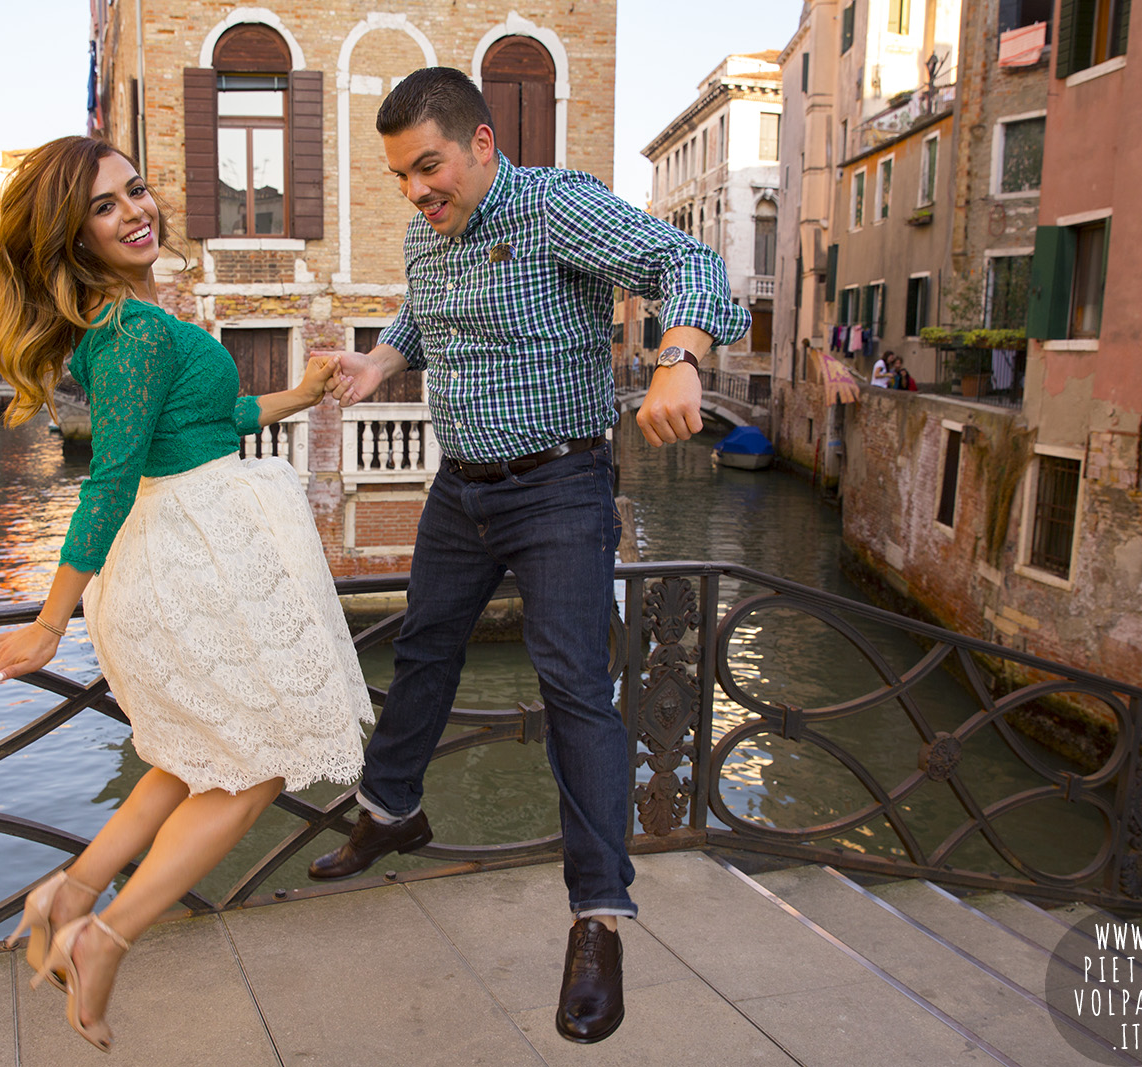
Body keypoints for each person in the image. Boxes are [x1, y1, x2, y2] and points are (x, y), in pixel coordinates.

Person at [309, 68, 750, 1045]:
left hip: (557, 487)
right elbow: (426, 314)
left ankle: (599, 918)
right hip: (459, 486)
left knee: (573, 690)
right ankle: (391, 807)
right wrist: (380, 358)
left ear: (481, 145)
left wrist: (678, 354)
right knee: (422, 644)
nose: (420, 193)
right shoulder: (433, 230)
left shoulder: (553, 207)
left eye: (430, 168)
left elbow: (690, 262)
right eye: (401, 179)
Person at [0, 136, 372, 1052]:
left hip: (185, 545)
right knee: (254, 763)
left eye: (135, 190)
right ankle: (106, 934)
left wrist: (299, 391)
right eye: (105, 206)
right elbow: (108, 479)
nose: (136, 210)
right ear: (74, 238)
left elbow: (213, 422)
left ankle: (68, 891)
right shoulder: (131, 333)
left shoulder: (125, 325)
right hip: (188, 559)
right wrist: (46, 621)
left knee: (189, 762)